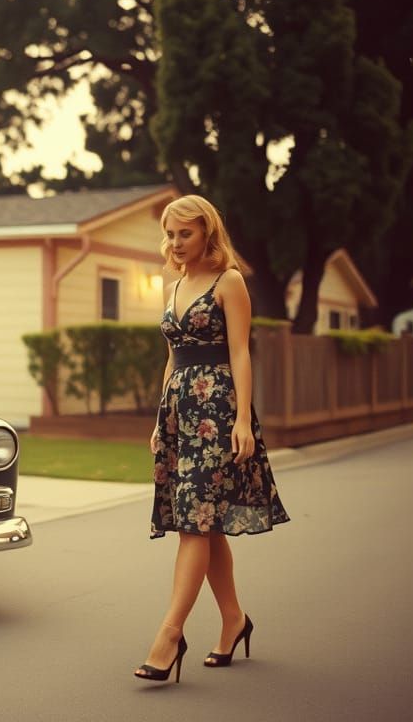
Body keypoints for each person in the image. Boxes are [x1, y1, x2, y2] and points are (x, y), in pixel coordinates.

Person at [133, 194, 290, 683]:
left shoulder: (230, 281)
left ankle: (169, 635)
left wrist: (242, 419)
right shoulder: (174, 284)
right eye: (171, 234)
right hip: (179, 414)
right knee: (206, 523)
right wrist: (160, 419)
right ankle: (234, 620)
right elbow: (172, 356)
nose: (177, 242)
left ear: (207, 232)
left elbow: (240, 353)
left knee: (194, 524)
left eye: (186, 233)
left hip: (216, 414)